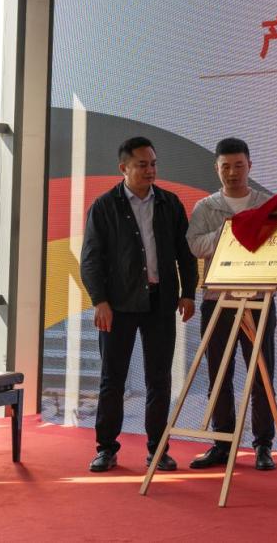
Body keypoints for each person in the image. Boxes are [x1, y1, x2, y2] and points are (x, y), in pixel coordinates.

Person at [80, 136, 198, 472]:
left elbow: (186, 253)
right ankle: (106, 449)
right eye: (142, 165)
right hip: (117, 305)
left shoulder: (169, 203)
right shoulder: (104, 206)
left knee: (159, 379)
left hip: (161, 303)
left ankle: (158, 450)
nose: (150, 170)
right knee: (112, 379)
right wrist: (99, 301)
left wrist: (189, 292)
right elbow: (90, 260)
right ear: (124, 167)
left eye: (153, 164)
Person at [186, 138, 277, 471]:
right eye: (226, 166)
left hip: (258, 299)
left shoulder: (267, 205)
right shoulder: (206, 207)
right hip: (218, 300)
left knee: (261, 374)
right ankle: (222, 443)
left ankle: (263, 446)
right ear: (217, 168)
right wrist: (229, 232)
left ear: (250, 166)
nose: (233, 172)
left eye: (239, 165)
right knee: (219, 373)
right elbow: (195, 246)